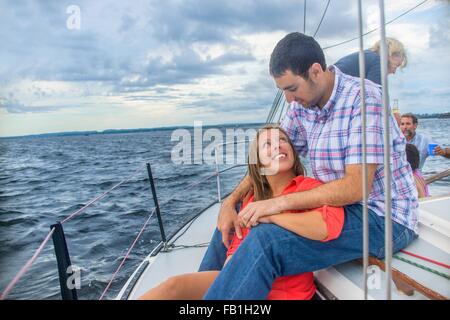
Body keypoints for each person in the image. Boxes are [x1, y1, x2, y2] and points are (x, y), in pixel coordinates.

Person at [199, 32, 418, 300]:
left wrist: (276, 204)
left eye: (292, 89)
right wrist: (230, 202)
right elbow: (267, 162)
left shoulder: (365, 98)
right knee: (236, 217)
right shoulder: (301, 106)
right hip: (337, 208)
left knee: (266, 241)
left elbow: (356, 187)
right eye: (284, 92)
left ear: (315, 72)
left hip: (383, 217)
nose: (289, 99)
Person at [138, 125, 345, 300]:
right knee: (172, 287)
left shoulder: (308, 188)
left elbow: (328, 226)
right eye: (268, 144)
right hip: (244, 280)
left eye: (283, 140)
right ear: (258, 161)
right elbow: (235, 254)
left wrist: (272, 215)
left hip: (286, 293)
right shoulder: (252, 199)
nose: (278, 145)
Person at [334, 37, 407, 127]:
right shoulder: (378, 61)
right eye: (396, 66)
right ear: (391, 54)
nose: (394, 72)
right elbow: (376, 100)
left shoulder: (365, 56)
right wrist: (393, 121)